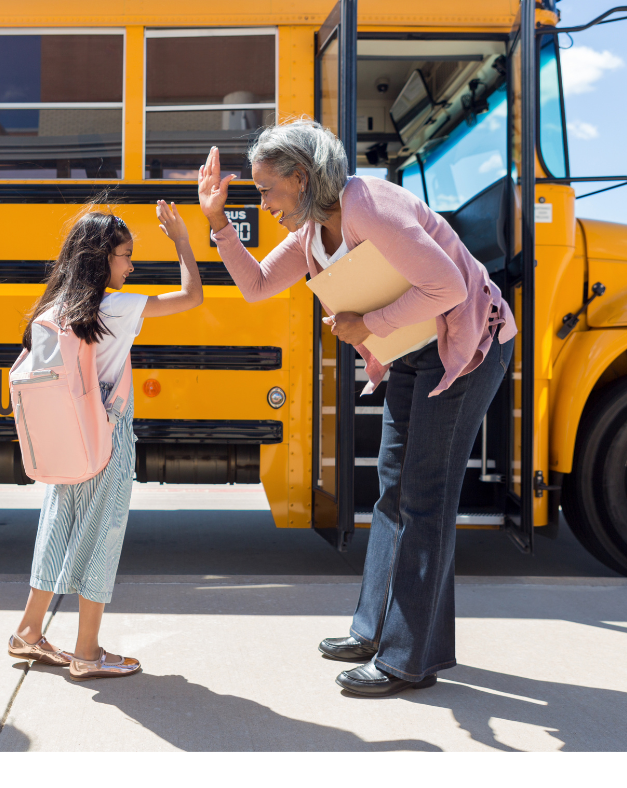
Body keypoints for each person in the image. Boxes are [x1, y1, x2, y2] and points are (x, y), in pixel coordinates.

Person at [199, 120, 516, 697]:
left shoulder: (368, 205)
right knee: (392, 489)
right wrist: (217, 222)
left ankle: (407, 660)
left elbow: (449, 288)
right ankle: (375, 632)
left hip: (468, 344)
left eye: (267, 189)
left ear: (301, 177)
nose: (263, 203)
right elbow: (258, 285)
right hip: (415, 349)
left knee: (425, 497)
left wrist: (367, 324)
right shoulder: (313, 232)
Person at [9, 202, 202, 681]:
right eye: (126, 255)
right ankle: (87, 652)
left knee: (57, 529)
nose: (130, 266)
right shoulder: (115, 307)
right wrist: (181, 240)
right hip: (105, 439)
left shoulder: (53, 310)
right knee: (102, 537)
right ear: (101, 258)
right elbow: (191, 297)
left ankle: (29, 631)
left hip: (64, 438)